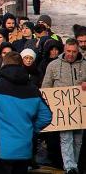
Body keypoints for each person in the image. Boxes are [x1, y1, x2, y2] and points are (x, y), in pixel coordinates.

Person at [0, 52, 52, 174]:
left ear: (4, 64)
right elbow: (46, 116)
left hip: (0, 148)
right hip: (24, 147)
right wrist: (31, 130)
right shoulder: (32, 88)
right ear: (21, 65)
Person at [41, 38, 86, 174]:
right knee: (66, 138)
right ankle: (70, 167)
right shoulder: (53, 65)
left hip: (80, 110)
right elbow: (46, 87)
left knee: (78, 140)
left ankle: (75, 165)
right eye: (68, 51)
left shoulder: (85, 65)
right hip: (63, 110)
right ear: (64, 50)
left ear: (78, 51)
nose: (71, 54)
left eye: (73, 51)